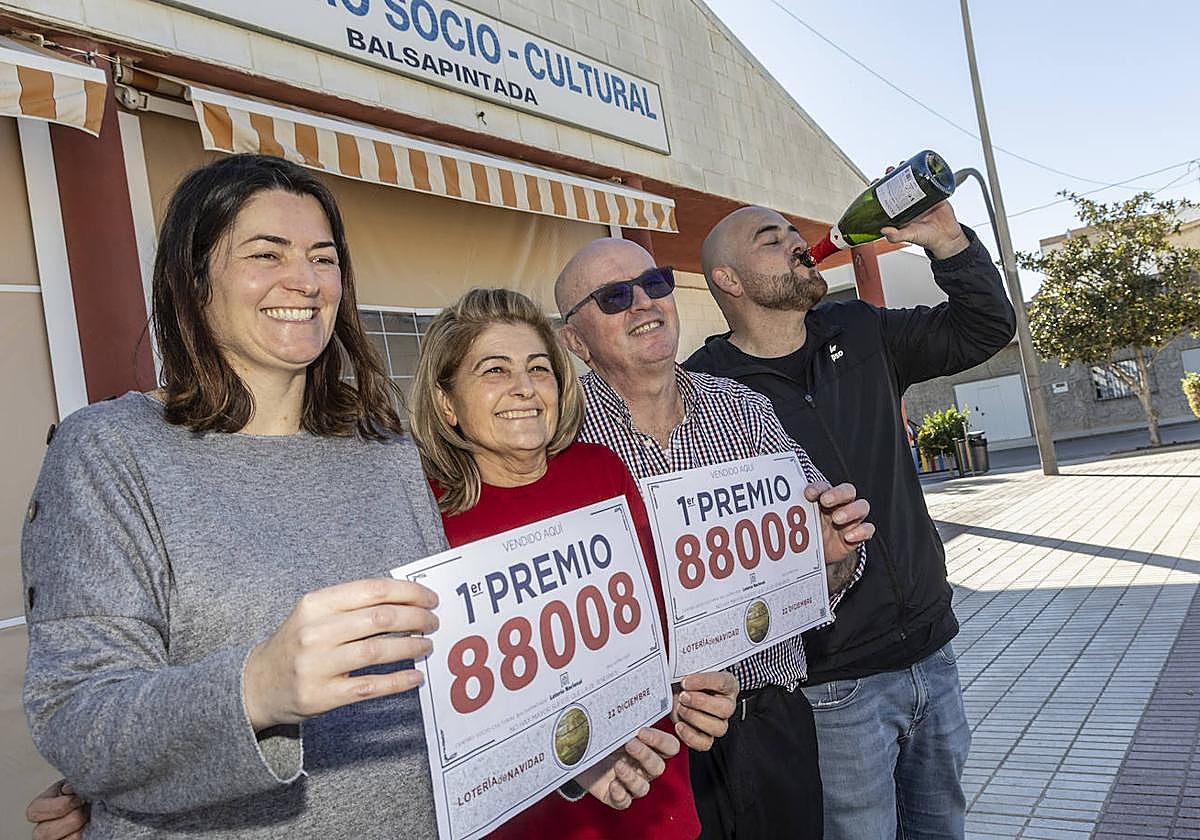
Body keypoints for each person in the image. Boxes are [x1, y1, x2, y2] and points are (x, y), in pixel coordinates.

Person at [21, 156, 670, 839]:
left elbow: (450, 672)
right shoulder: (109, 452)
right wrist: (257, 688)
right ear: (194, 275)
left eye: (323, 258)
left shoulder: (384, 450)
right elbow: (76, 717)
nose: (304, 281)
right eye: (267, 253)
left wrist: (562, 754)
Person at [686, 200, 1017, 839]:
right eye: (771, 239)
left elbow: (983, 329)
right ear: (729, 280)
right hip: (831, 685)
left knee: (942, 829)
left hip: (932, 652)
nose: (796, 243)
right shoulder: (703, 390)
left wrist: (949, 243)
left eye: (793, 232)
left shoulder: (860, 330)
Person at [554, 237, 875, 840]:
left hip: (771, 724)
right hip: (644, 751)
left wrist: (832, 554)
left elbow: (828, 569)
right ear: (575, 339)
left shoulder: (746, 410)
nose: (644, 303)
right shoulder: (557, 442)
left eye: (655, 283)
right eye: (615, 296)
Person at [407, 287, 740, 838]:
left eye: (539, 369)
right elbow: (438, 715)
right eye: (494, 370)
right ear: (447, 404)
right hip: (533, 822)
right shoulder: (423, 515)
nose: (524, 387)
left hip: (655, 793)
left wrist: (694, 688)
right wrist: (562, 759)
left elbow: (660, 619)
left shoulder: (600, 471)